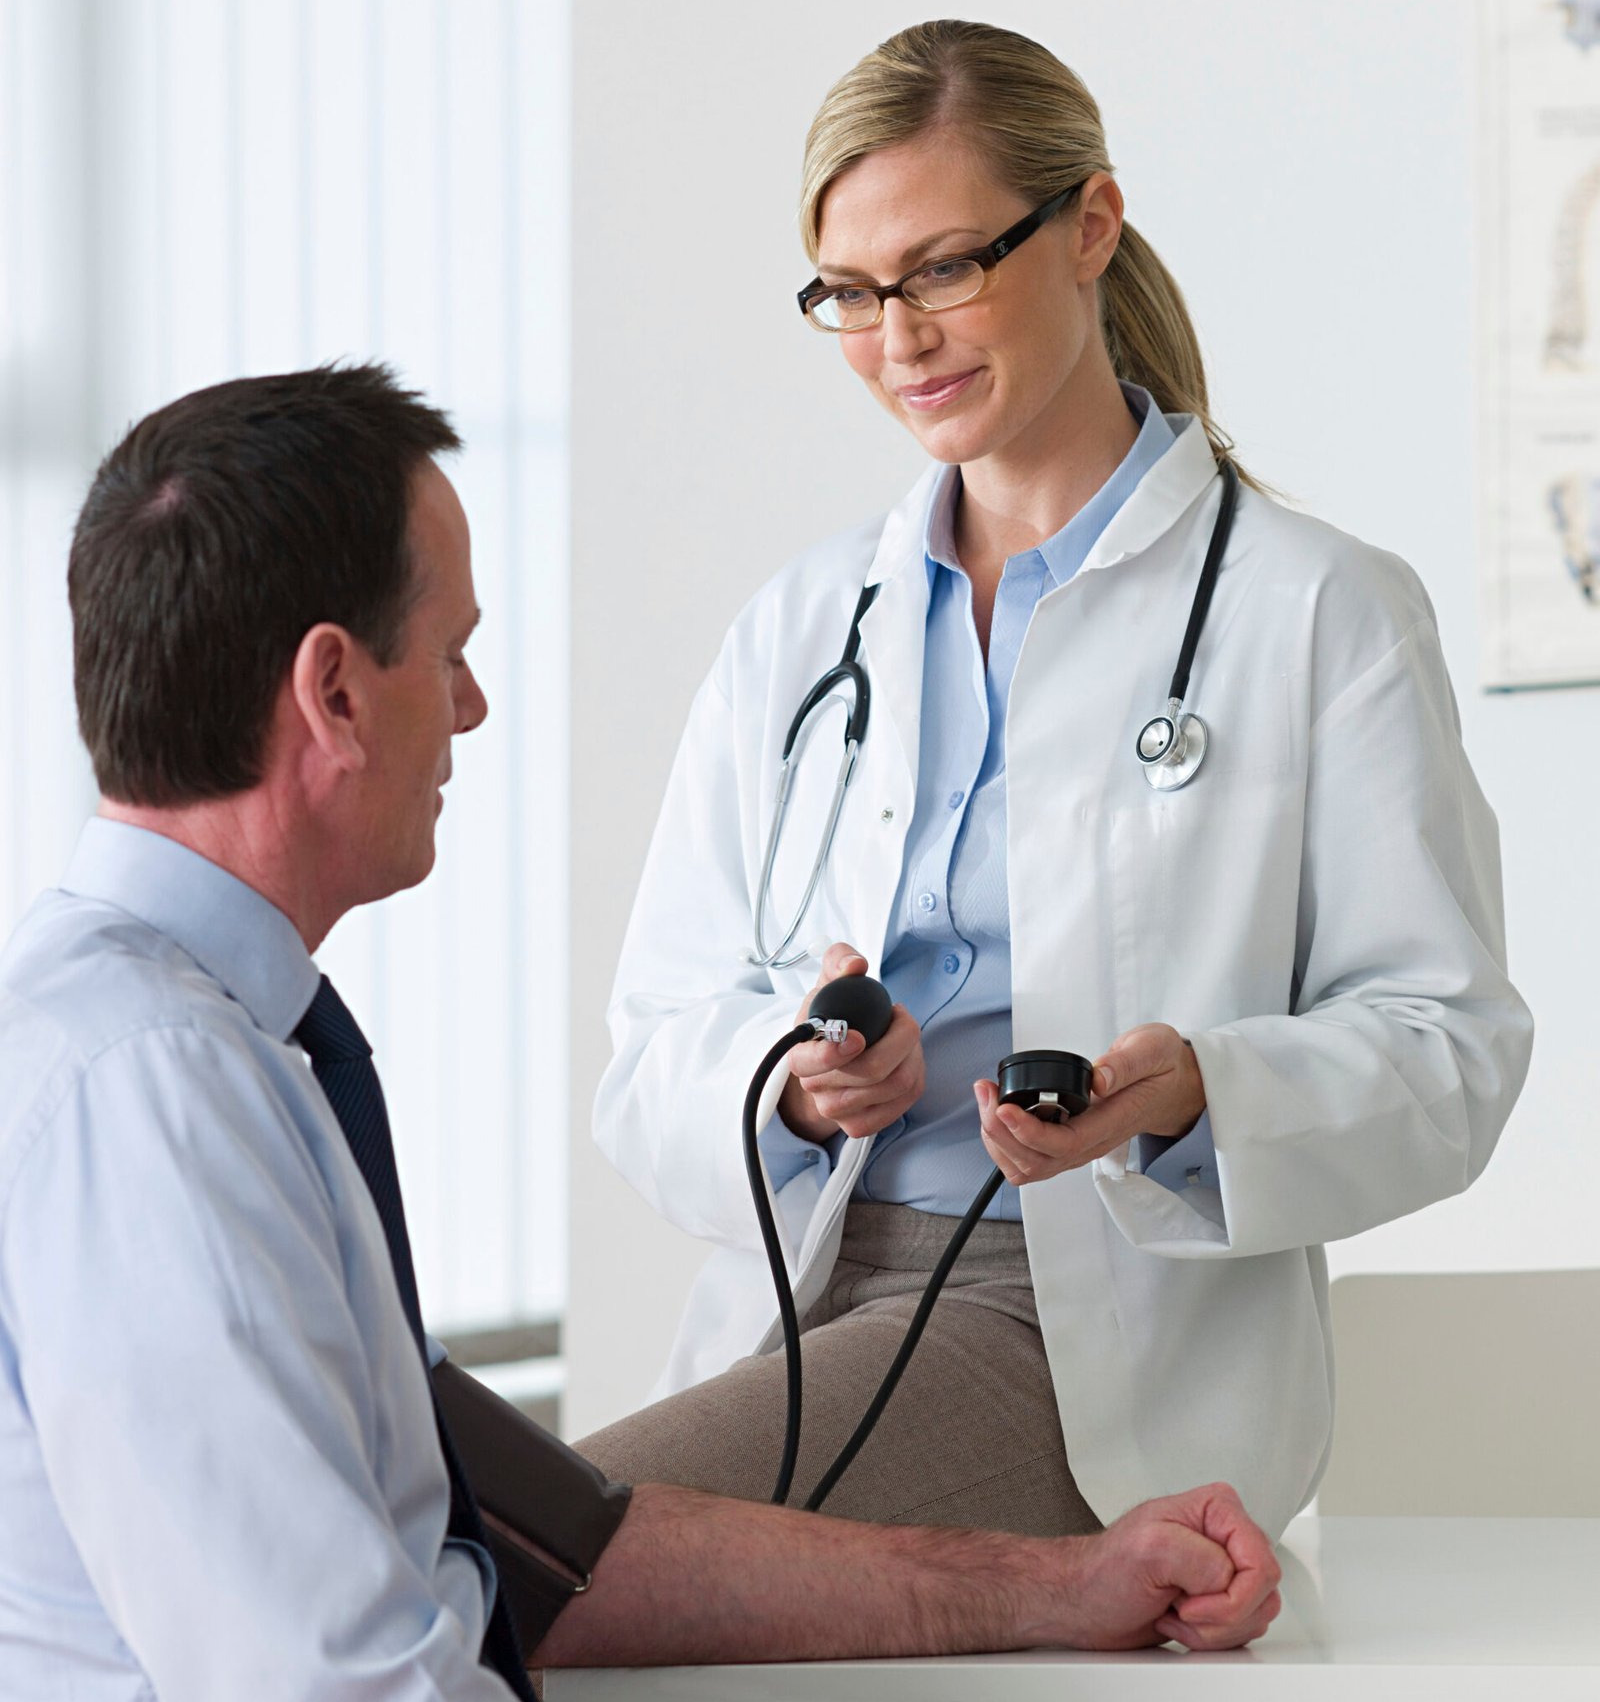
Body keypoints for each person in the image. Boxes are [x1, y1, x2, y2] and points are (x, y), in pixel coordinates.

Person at [0, 363, 1281, 1699]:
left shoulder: (203, 1049)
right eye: (449, 656)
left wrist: (1070, 1587)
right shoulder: (150, 1101)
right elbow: (331, 1681)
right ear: (333, 694)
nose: (472, 706)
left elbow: (551, 1546)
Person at [586, 20, 1535, 1543]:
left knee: (543, 1556)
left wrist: (1200, 1093)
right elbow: (648, 1061)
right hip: (803, 1283)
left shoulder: (1314, 609)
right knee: (465, 1520)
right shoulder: (804, 628)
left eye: (946, 268)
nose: (900, 336)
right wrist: (801, 1080)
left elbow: (1451, 1048)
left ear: (1090, 225)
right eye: (851, 292)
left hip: (1078, 1323)